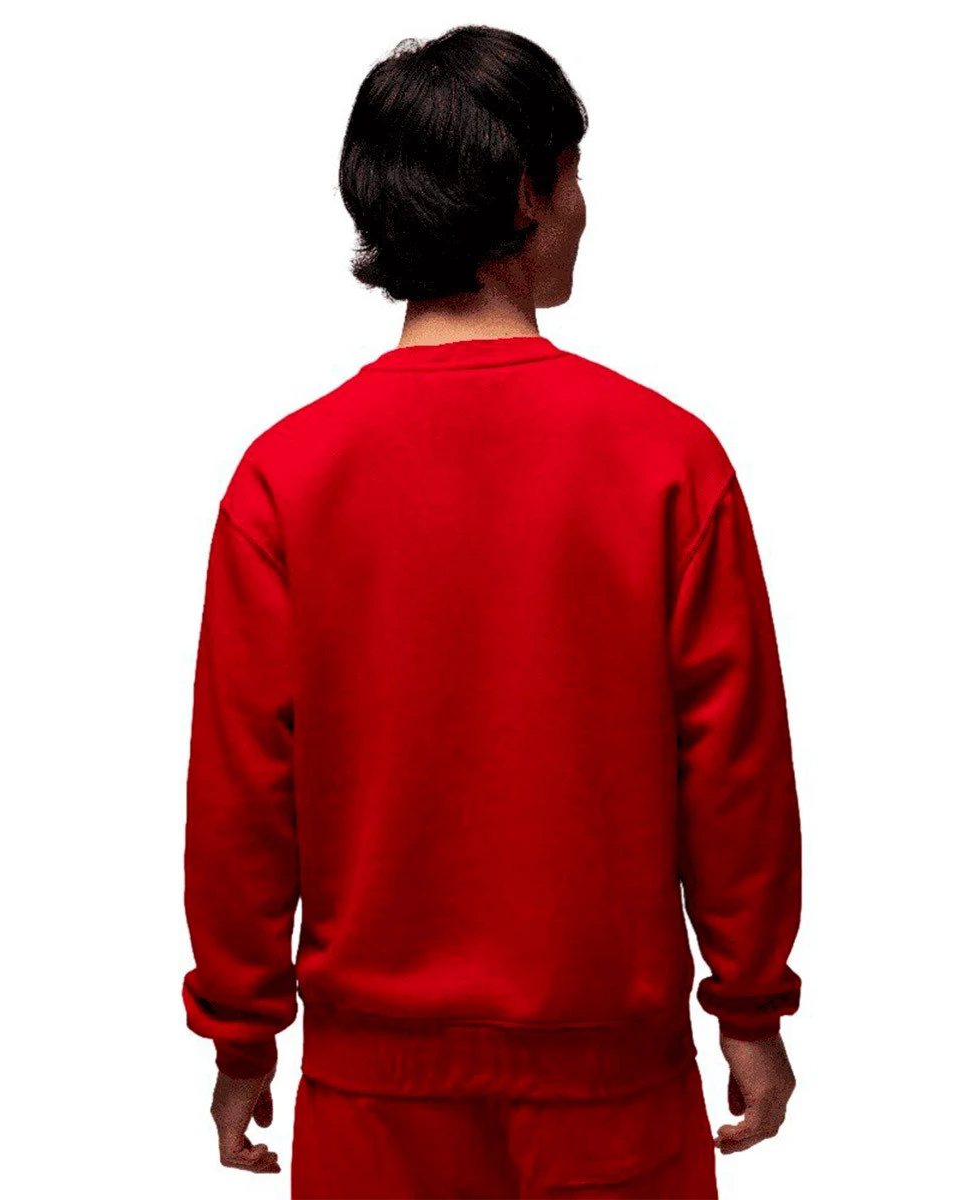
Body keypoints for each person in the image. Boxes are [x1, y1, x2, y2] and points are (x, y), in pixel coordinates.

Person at [182, 24, 802, 1199]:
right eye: (574, 176)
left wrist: (241, 1033)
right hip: (610, 1085)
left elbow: (242, 791)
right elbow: (734, 769)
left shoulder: (286, 478)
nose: (584, 209)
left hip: (373, 1098)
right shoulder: (668, 462)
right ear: (528, 191)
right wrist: (752, 1007)